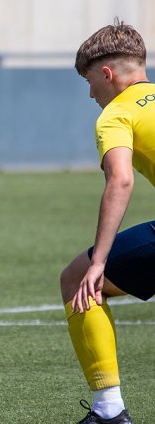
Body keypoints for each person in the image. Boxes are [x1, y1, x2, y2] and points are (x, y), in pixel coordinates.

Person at [60, 21, 155, 424]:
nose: (90, 94)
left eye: (89, 82)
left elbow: (120, 178)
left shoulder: (115, 114)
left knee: (78, 278)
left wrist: (99, 260)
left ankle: (108, 411)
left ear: (107, 74)